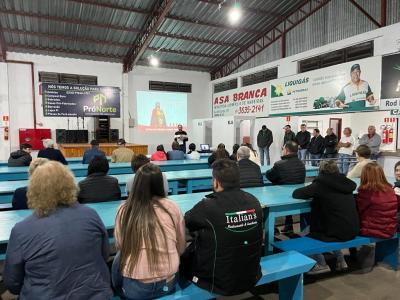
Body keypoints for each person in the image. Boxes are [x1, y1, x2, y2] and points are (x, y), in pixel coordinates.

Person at [4, 161, 112, 299]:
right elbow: (104, 254)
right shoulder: (91, 215)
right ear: (70, 184)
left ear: (32, 189)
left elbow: (12, 282)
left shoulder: (21, 230)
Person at [181, 159, 263, 295]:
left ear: (216, 182)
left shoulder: (207, 206)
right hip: (252, 275)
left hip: (216, 282)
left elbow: (187, 222)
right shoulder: (254, 201)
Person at [112, 163, 186, 299]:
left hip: (136, 288)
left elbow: (120, 245)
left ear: (137, 183)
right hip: (168, 283)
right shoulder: (172, 207)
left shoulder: (124, 209)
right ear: (160, 183)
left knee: (118, 257)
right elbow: (181, 247)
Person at [292, 160, 359, 274]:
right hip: (352, 230)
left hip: (334, 232)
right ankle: (340, 260)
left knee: (305, 230)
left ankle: (321, 263)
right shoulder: (346, 183)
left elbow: (297, 193)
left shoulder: (320, 185)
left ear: (321, 171)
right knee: (331, 222)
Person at [266, 141, 306, 234]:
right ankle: (289, 226)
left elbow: (270, 176)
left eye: (283, 148)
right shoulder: (301, 164)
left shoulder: (279, 164)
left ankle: (273, 229)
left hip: (281, 197)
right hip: (298, 195)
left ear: (286, 150)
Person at [357, 162, 398, 239]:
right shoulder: (390, 189)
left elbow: (359, 209)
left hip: (372, 230)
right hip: (390, 229)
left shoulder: (367, 191)